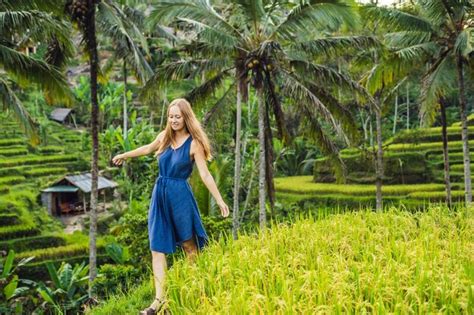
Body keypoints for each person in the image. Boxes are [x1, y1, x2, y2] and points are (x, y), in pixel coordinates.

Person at [112, 98, 230, 314]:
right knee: (157, 248)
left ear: (186, 118)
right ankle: (157, 302)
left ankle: (196, 290)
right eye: (171, 116)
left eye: (178, 116)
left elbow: (204, 174)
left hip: (180, 196)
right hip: (160, 194)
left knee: (189, 246)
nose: (174, 120)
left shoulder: (194, 144)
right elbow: (148, 149)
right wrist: (124, 155)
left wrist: (219, 199)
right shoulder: (164, 137)